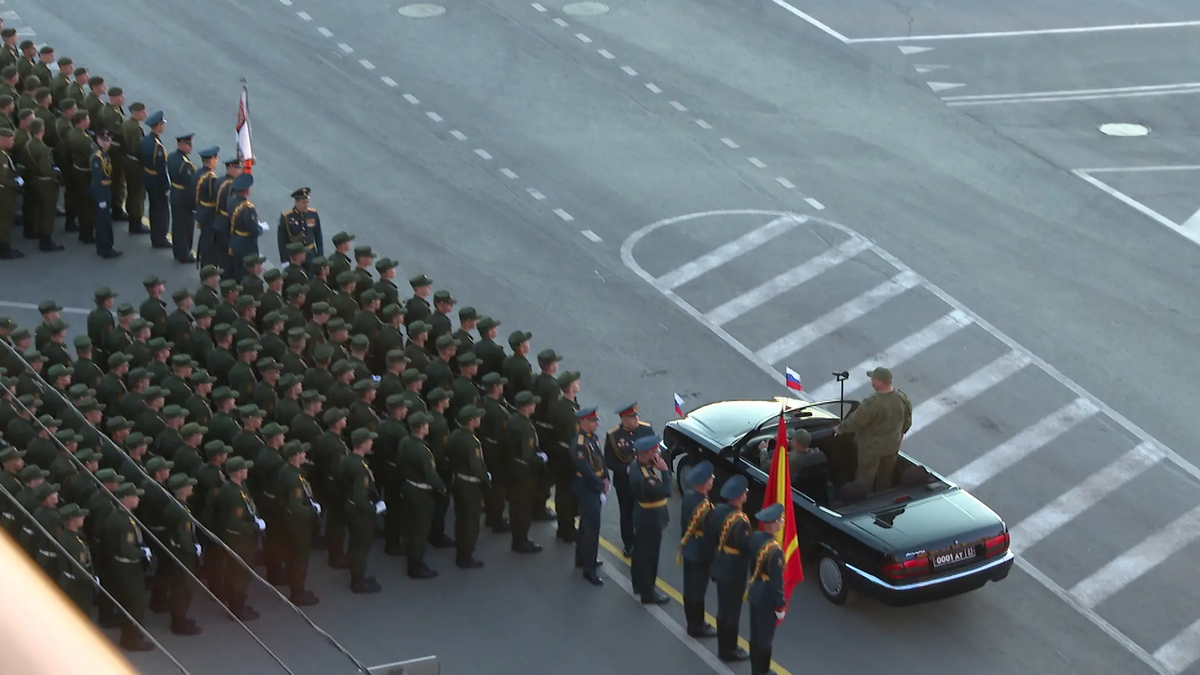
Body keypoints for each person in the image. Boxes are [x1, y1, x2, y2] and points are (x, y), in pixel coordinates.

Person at [834, 366, 912, 491]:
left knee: (865, 477)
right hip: (892, 446)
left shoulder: (873, 402)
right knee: (886, 475)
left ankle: (862, 498)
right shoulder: (902, 398)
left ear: (880, 381)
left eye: (873, 379)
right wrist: (901, 434)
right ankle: (882, 496)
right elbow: (907, 421)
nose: (872, 381)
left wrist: (841, 428)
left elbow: (857, 420)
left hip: (871, 448)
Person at [103, 481, 153, 651]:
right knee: (134, 603)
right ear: (125, 499)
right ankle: (130, 639)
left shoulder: (123, 515)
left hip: (123, 565)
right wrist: (142, 553)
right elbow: (126, 549)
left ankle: (131, 632)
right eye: (134, 496)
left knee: (130, 601)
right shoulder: (123, 521)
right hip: (127, 567)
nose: (137, 499)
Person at [213, 455, 262, 620]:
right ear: (239, 472)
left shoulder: (236, 487)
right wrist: (254, 526)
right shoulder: (233, 494)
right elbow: (235, 522)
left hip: (239, 537)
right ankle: (237, 607)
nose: (247, 471)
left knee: (237, 572)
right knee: (239, 573)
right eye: (244, 469)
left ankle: (237, 602)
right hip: (239, 539)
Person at [604, 403, 655, 557]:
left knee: (645, 510)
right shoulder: (614, 436)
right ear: (624, 419)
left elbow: (655, 450)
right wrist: (625, 469)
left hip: (644, 480)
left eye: (636, 416)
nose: (636, 419)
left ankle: (644, 539)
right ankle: (629, 543)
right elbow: (609, 461)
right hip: (625, 482)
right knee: (627, 512)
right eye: (632, 417)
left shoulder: (646, 430)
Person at [399, 411, 446, 579]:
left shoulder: (405, 441)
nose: (428, 426)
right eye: (426, 424)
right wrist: (442, 488)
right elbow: (431, 475)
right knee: (420, 529)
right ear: (420, 428)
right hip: (421, 492)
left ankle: (411, 558)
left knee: (410, 526)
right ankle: (416, 566)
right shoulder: (423, 451)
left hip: (409, 486)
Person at [709, 474, 751, 662]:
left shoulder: (718, 510)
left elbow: (712, 534)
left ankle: (722, 646)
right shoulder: (740, 521)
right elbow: (744, 547)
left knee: (723, 609)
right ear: (740, 496)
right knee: (732, 611)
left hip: (720, 562)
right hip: (734, 569)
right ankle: (729, 649)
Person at [275, 439, 319, 605]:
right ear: (295, 456)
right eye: (302, 453)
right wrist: (312, 511)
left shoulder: (288, 471)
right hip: (297, 523)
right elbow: (295, 505)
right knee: (299, 558)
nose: (304, 455)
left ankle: (296, 586)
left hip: (289, 521)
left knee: (293, 557)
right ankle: (297, 592)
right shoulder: (293, 478)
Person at [629, 434, 670, 604]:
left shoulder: (637, 465)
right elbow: (666, 491)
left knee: (640, 553)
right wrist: (665, 471)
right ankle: (648, 593)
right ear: (647, 453)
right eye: (655, 451)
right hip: (650, 519)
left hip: (643, 516)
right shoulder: (646, 478)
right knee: (650, 556)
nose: (658, 453)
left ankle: (639, 585)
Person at [340, 427, 381, 593]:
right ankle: (358, 581)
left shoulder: (348, 460)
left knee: (355, 543)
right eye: (369, 440)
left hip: (350, 506)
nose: (371, 443)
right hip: (360, 512)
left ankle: (358, 575)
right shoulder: (360, 468)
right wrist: (374, 508)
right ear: (362, 444)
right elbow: (360, 497)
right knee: (361, 547)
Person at [747, 503, 787, 675]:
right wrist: (780, 604)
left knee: (755, 633)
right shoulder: (775, 551)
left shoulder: (755, 537)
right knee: (765, 638)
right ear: (775, 523)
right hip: (766, 596)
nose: (782, 522)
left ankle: (755, 668)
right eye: (781, 519)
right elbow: (777, 582)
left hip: (755, 588)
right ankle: (761, 671)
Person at [679, 460, 717, 638]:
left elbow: (684, 524)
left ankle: (691, 622)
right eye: (711, 478)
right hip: (701, 553)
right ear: (706, 483)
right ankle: (697, 626)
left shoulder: (688, 497)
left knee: (689, 588)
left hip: (688, 547)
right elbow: (711, 536)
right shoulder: (707, 508)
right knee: (698, 591)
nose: (713, 481)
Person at [448, 405, 489, 569]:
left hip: (458, 480)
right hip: (471, 485)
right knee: (471, 522)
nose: (480, 419)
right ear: (471, 421)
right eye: (477, 417)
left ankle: (461, 550)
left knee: (461, 519)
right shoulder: (472, 442)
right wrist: (486, 479)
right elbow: (476, 467)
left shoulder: (455, 435)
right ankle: (466, 555)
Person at [570, 406, 606, 586]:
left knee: (585, 525)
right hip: (587, 487)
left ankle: (582, 558)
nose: (596, 423)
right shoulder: (580, 443)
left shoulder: (593, 438)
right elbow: (584, 469)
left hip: (594, 484)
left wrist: (606, 477)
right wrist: (599, 485)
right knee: (592, 528)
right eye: (592, 420)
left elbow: (600, 459)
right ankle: (589, 569)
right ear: (583, 421)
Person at [162, 472, 202, 635]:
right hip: (183, 553)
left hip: (176, 550)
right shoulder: (181, 510)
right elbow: (184, 536)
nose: (191, 487)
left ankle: (180, 617)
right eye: (188, 485)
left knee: (179, 586)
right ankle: (179, 622)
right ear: (183, 489)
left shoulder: (174, 505)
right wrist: (193, 548)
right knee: (183, 588)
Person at [506, 390, 544, 554]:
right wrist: (541, 459)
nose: (535, 405)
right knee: (523, 507)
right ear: (527, 407)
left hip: (513, 467)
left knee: (515, 506)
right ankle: (521, 541)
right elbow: (527, 455)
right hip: (525, 472)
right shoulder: (526, 427)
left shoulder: (513, 420)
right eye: (532, 403)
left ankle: (517, 538)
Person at [139, 110, 171, 248]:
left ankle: (155, 236)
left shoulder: (146, 140)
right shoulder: (157, 146)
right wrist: (166, 185)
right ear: (157, 126)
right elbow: (160, 168)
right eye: (162, 124)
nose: (163, 126)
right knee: (161, 210)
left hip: (148, 177)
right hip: (157, 181)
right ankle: (160, 238)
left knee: (154, 208)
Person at [88, 129, 122, 258]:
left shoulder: (104, 155)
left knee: (106, 220)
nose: (107, 143)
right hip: (101, 193)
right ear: (98, 141)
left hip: (106, 190)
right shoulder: (98, 158)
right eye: (104, 140)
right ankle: (105, 248)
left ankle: (107, 245)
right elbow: (97, 180)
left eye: (108, 140)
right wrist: (101, 199)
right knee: (103, 221)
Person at [228, 173, 264, 281]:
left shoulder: (231, 201)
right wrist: (260, 229)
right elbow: (254, 230)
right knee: (248, 272)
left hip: (236, 239)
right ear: (247, 190)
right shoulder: (248, 208)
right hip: (247, 244)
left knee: (238, 269)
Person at [167, 132, 197, 263]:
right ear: (181, 144)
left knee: (177, 225)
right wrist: (194, 205)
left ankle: (178, 252)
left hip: (175, 193)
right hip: (183, 197)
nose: (191, 146)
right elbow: (189, 187)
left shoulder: (172, 157)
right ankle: (184, 254)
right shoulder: (185, 164)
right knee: (185, 227)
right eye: (189, 144)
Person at [278, 187, 323, 270]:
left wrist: (320, 255)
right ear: (296, 202)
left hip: (310, 254)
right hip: (295, 257)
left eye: (307, 202)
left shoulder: (313, 214)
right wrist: (284, 260)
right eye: (303, 203)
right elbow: (282, 241)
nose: (306, 205)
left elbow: (318, 236)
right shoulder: (287, 217)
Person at [120, 102, 148, 233]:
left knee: (131, 191)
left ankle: (132, 217)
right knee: (138, 194)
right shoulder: (136, 128)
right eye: (143, 112)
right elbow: (137, 148)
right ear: (137, 113)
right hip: (136, 164)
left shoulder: (127, 123)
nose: (145, 114)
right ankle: (136, 221)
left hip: (127, 159)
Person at [191, 146, 220, 268]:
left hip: (201, 209)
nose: (217, 160)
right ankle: (207, 267)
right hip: (209, 213)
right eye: (216, 158)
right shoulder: (211, 178)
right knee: (210, 242)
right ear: (211, 159)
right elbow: (215, 197)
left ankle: (204, 264)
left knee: (204, 239)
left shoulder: (199, 172)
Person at [0, 127, 21, 259]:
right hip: (4, 192)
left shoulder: (3, 152)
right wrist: (16, 183)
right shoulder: (1, 157)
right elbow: (2, 178)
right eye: (11, 140)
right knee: (5, 221)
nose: (13, 142)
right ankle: (5, 249)